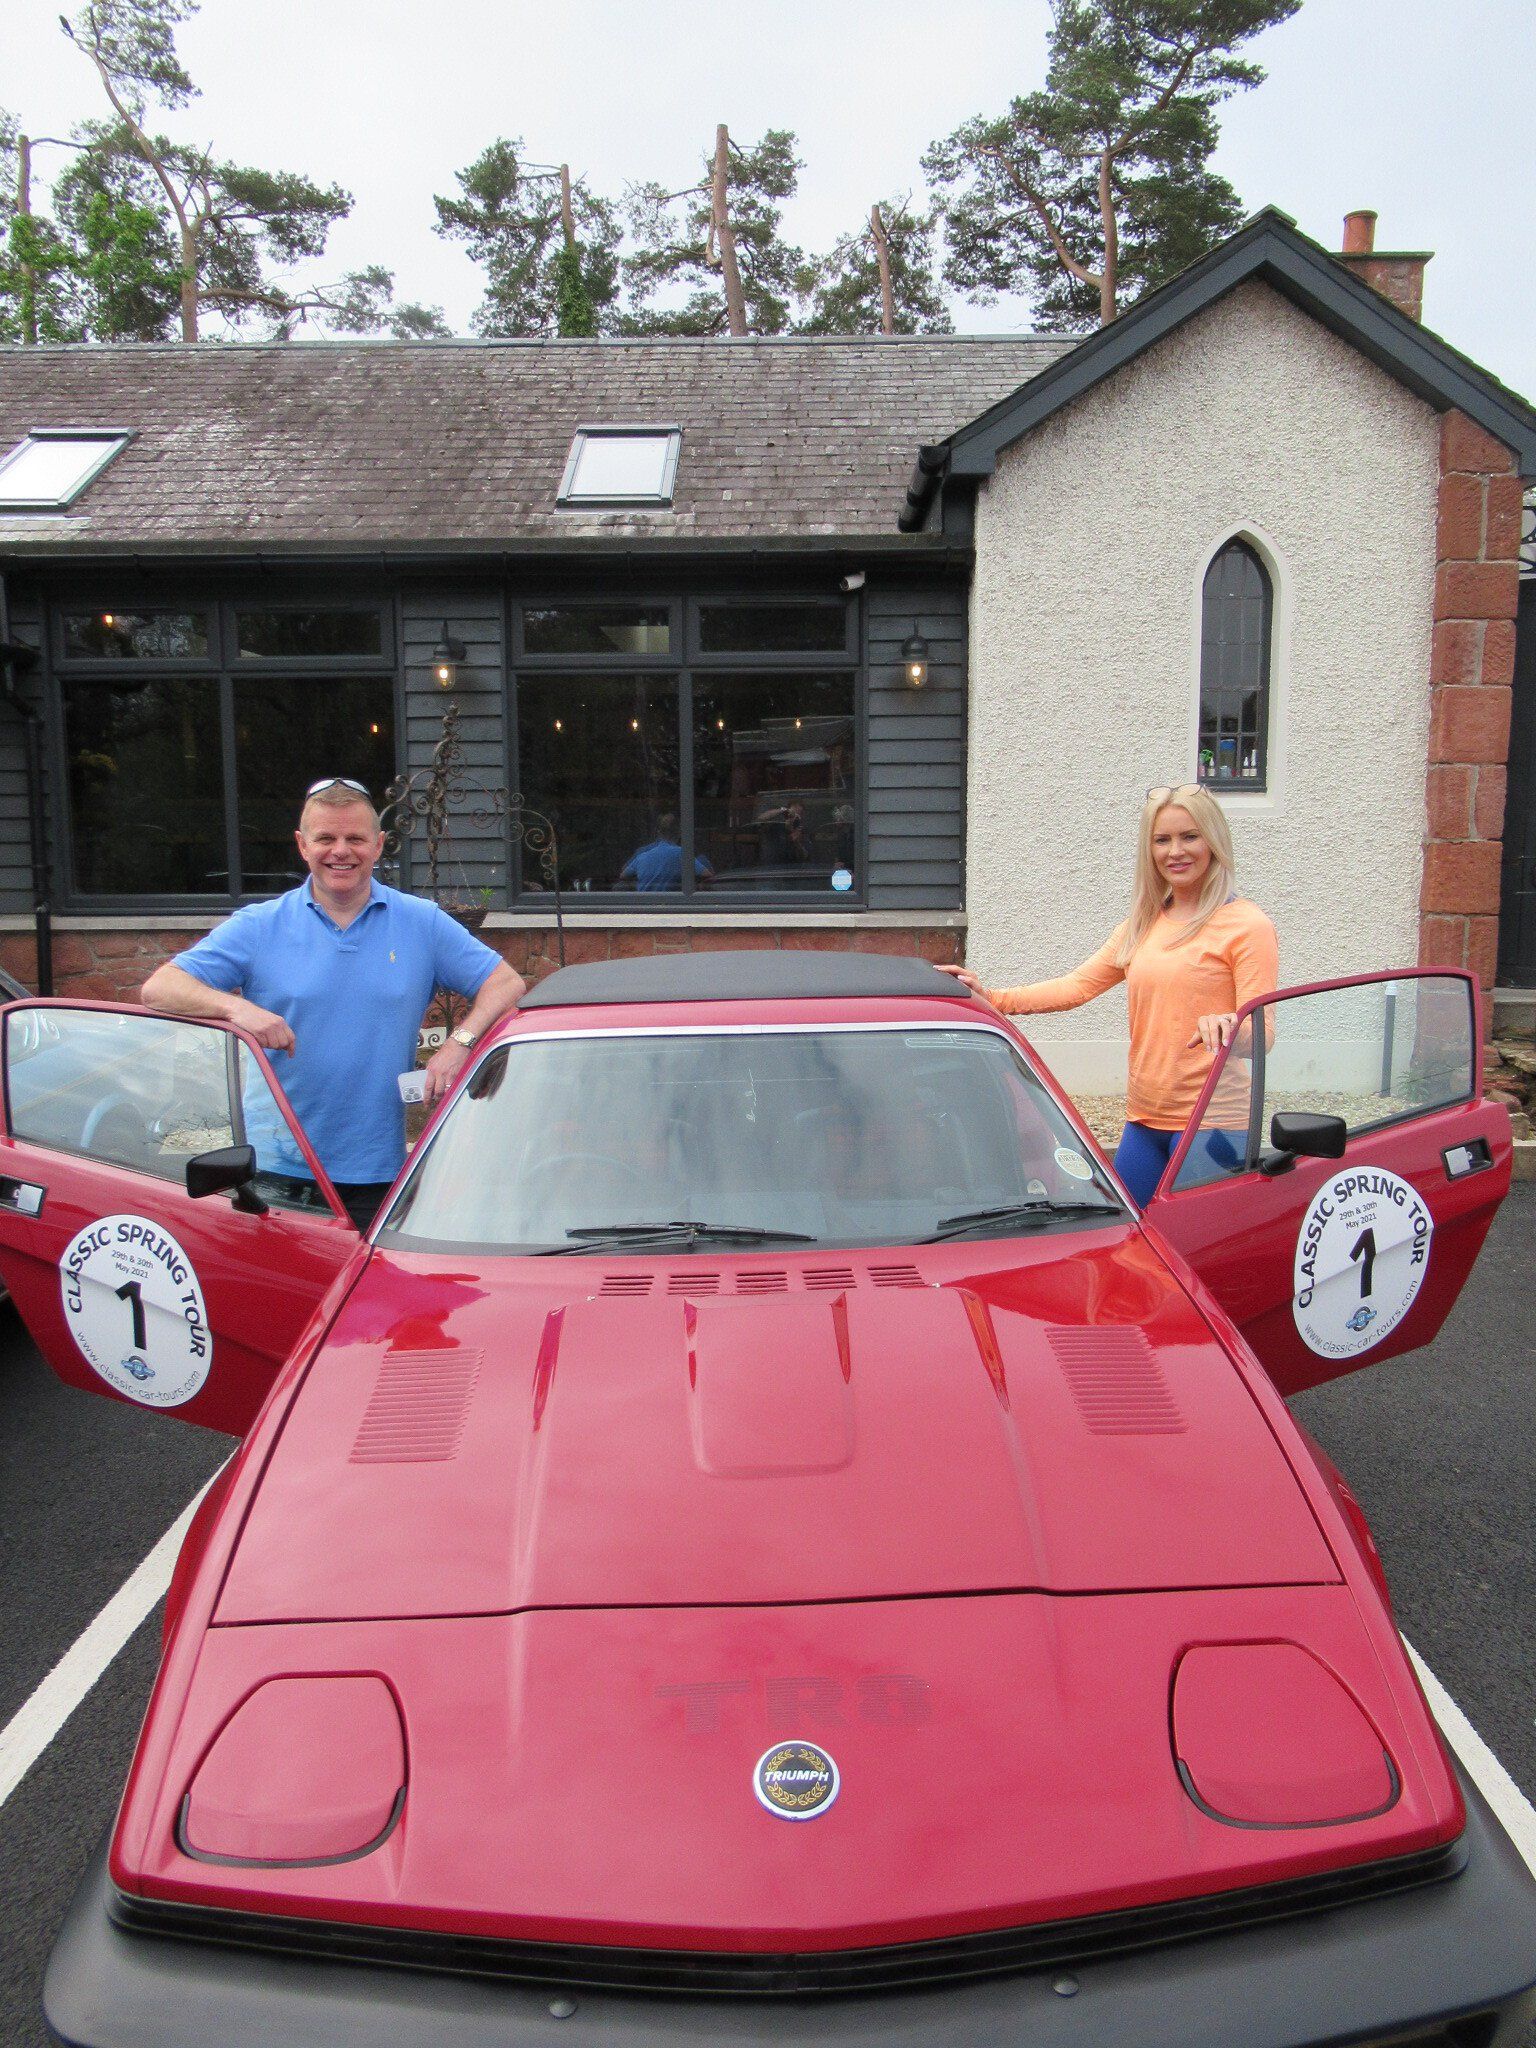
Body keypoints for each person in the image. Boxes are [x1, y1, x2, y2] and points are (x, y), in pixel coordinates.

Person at [140, 778, 525, 1229]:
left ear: (378, 846)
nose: (340, 851)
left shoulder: (421, 923)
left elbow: (505, 982)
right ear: (303, 846)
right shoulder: (259, 926)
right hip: (276, 1167)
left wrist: (460, 1042)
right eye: (326, 838)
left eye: (355, 839)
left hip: (379, 1168)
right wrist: (236, 1008)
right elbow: (159, 988)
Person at [938, 784, 1277, 1205]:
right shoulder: (1145, 921)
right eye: (1162, 839)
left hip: (1213, 1123)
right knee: (1124, 1236)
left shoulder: (1246, 924)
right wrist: (992, 997)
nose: (1176, 851)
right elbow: (1078, 986)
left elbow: (1262, 1036)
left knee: (1192, 1251)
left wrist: (1230, 1026)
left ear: (1214, 840)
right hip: (1144, 1119)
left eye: (1190, 836)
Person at [618, 813, 714, 892]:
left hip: (644, 906)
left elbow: (623, 875)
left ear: (658, 832)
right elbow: (707, 875)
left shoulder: (642, 853)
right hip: (672, 905)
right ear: (680, 832)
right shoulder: (683, 853)